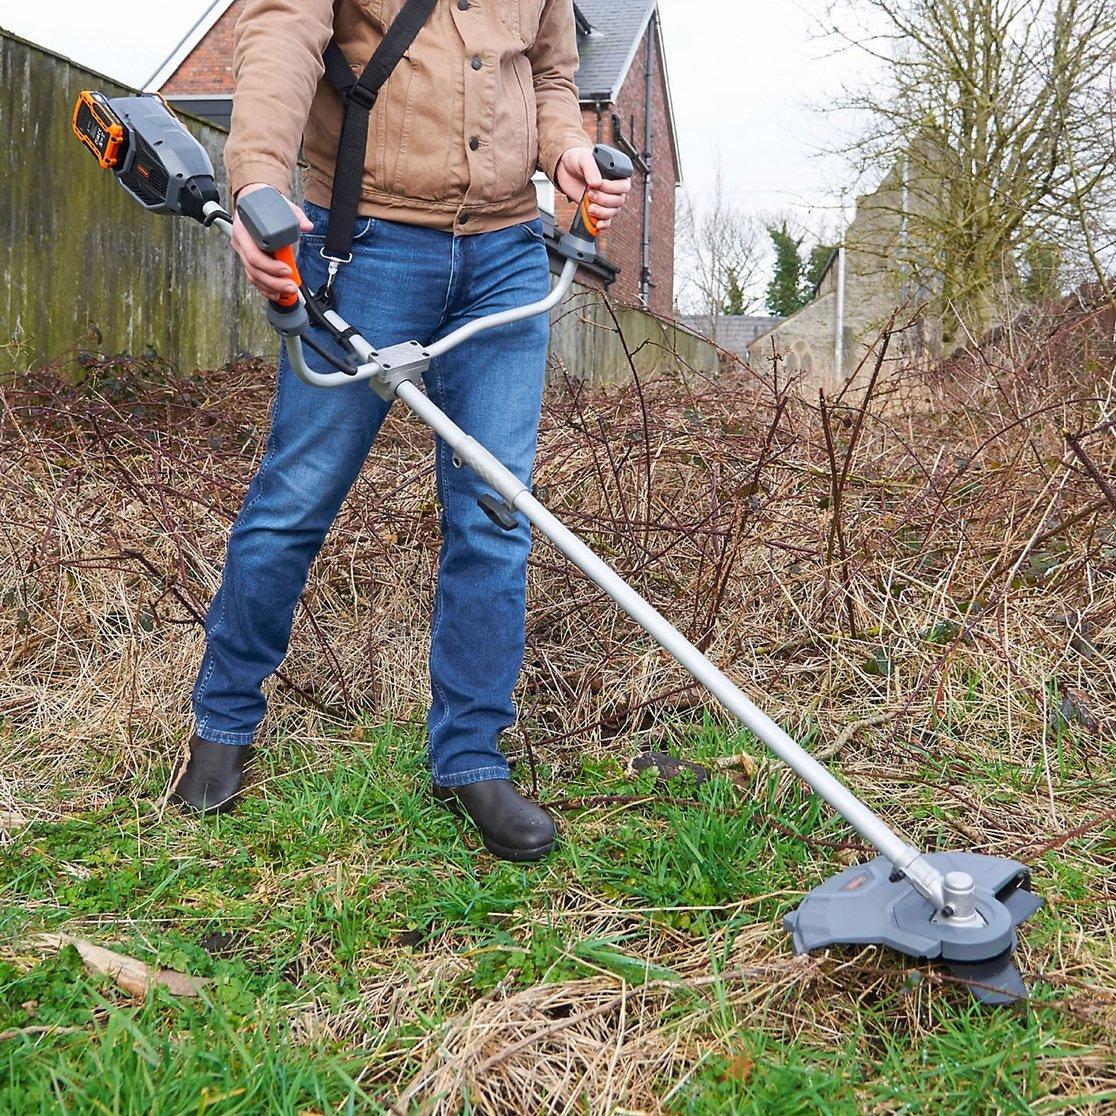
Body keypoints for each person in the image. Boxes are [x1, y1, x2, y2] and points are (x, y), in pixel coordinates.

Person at [170, 0, 632, 861]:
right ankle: (222, 725)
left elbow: (550, 74)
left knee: (495, 515)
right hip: (363, 242)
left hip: (506, 254)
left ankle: (470, 758)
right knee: (295, 500)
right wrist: (258, 180)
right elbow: (282, 35)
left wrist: (565, 150)